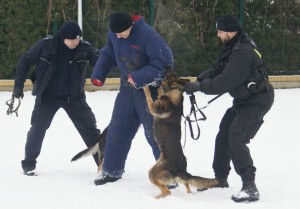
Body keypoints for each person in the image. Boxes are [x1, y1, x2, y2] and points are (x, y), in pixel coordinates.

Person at [184, 14, 274, 202]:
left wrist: (200, 87)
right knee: (224, 133)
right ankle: (220, 179)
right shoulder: (234, 46)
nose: (218, 35)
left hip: (258, 100)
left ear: (231, 32)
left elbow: (225, 82)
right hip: (244, 100)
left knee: (236, 137)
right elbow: (218, 67)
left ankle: (250, 186)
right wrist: (199, 79)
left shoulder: (243, 52)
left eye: (220, 31)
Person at [90, 11, 174, 186]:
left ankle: (169, 174)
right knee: (117, 130)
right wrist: (99, 73)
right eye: (116, 33)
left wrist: (139, 77)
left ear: (131, 26)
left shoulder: (148, 36)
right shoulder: (115, 34)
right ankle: (111, 171)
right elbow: (108, 53)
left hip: (149, 92)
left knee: (155, 134)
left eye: (122, 32)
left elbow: (164, 63)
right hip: (127, 90)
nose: (119, 36)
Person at [13, 20, 102, 176]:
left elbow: (103, 61)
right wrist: (18, 86)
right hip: (48, 96)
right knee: (37, 129)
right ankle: (28, 164)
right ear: (63, 37)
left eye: (78, 38)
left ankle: (103, 164)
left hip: (74, 97)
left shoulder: (85, 48)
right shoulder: (46, 45)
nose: (75, 42)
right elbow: (25, 60)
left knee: (90, 130)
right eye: (72, 39)